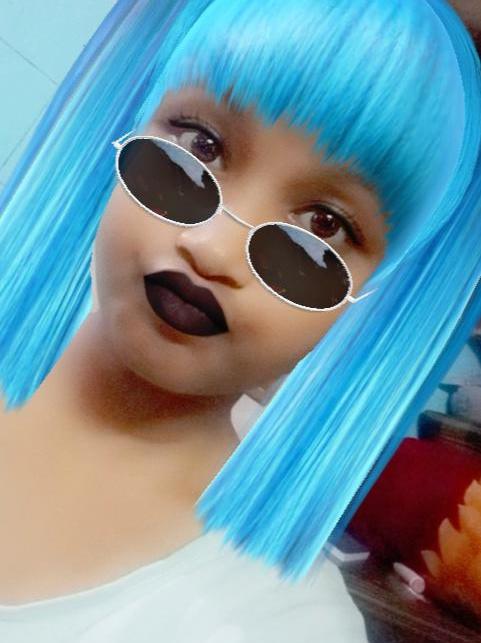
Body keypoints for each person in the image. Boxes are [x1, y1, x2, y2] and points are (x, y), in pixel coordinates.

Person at [0, 0, 479, 641]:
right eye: (199, 145)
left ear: (376, 299)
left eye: (323, 229)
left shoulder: (282, 625)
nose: (213, 249)